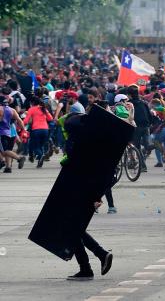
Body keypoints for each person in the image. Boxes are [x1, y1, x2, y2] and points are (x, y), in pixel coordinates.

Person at [62, 110, 113, 280]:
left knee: (73, 229)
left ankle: (94, 260)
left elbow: (73, 167)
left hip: (78, 191)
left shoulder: (74, 143)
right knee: (75, 228)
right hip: (88, 190)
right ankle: (94, 261)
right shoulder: (92, 141)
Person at [127, 85, 152, 172]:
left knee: (137, 148)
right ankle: (151, 145)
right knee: (147, 144)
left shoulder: (129, 104)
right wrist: (149, 124)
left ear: (129, 94)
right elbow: (149, 115)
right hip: (146, 126)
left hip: (136, 128)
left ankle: (143, 167)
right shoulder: (144, 103)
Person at [24, 96, 53, 168]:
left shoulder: (31, 109)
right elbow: (50, 118)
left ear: (32, 102)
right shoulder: (43, 109)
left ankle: (41, 156)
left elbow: (26, 121)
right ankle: (40, 160)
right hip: (45, 130)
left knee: (35, 147)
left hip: (36, 130)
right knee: (40, 146)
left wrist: (20, 126)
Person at [0, 96, 26, 173]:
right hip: (10, 132)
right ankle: (8, 167)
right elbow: (19, 120)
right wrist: (23, 130)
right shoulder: (12, 110)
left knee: (5, 151)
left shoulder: (0, 109)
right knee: (8, 150)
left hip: (1, 133)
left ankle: (19, 158)